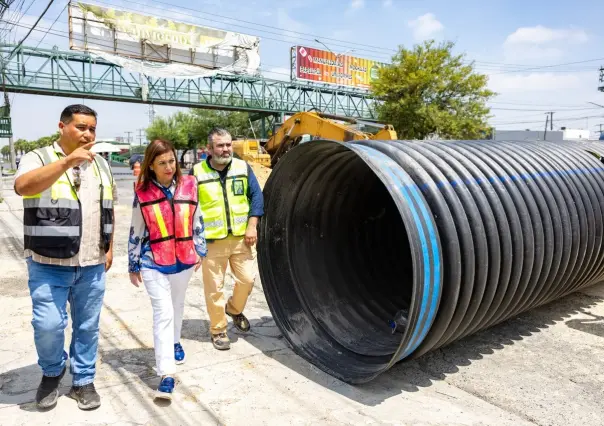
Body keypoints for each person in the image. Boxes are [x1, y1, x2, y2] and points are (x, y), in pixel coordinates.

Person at [13, 104, 116, 410]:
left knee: (87, 326)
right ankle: (53, 370)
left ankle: (83, 380)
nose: (88, 134)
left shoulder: (102, 164)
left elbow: (108, 206)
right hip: (48, 263)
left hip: (91, 263)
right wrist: (67, 161)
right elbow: (22, 186)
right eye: (81, 127)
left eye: (92, 129)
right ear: (62, 126)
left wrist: (109, 247)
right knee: (47, 325)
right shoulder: (38, 157)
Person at [128, 139, 206, 399]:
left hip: (184, 258)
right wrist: (133, 262)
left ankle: (174, 341)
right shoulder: (142, 192)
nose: (169, 167)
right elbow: (136, 229)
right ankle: (167, 373)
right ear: (150, 165)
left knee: (177, 304)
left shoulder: (190, 186)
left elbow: (197, 219)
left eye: (171, 161)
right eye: (162, 163)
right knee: (163, 312)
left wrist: (200, 250)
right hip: (153, 260)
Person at [191, 127, 264, 350]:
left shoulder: (243, 167)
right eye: (220, 145)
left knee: (248, 280)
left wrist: (252, 226)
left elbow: (256, 197)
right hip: (212, 242)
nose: (226, 149)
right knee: (214, 289)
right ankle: (218, 330)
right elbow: (188, 207)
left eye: (228, 144)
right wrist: (193, 243)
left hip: (242, 238)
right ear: (209, 149)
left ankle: (233, 309)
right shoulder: (196, 173)